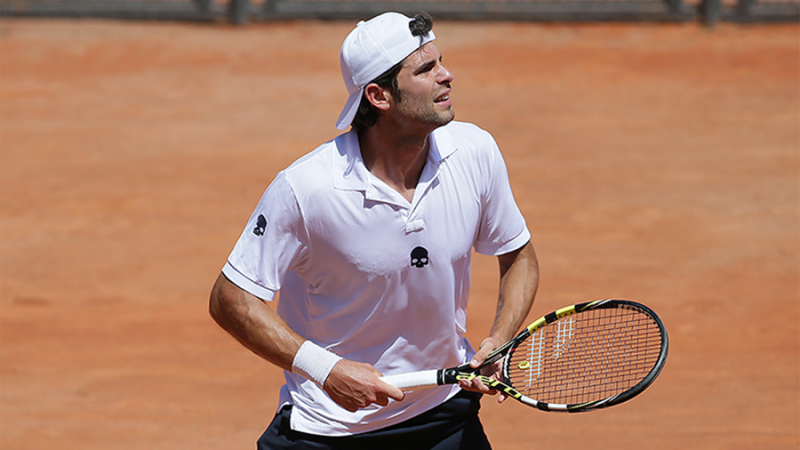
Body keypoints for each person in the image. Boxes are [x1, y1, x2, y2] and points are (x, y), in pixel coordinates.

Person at [209, 11, 539, 449]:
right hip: (329, 431)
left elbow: (519, 256)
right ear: (379, 96)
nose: (447, 75)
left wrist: (500, 337)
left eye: (440, 61)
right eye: (426, 70)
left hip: (441, 416)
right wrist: (326, 370)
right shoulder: (308, 189)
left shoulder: (475, 152)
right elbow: (230, 298)